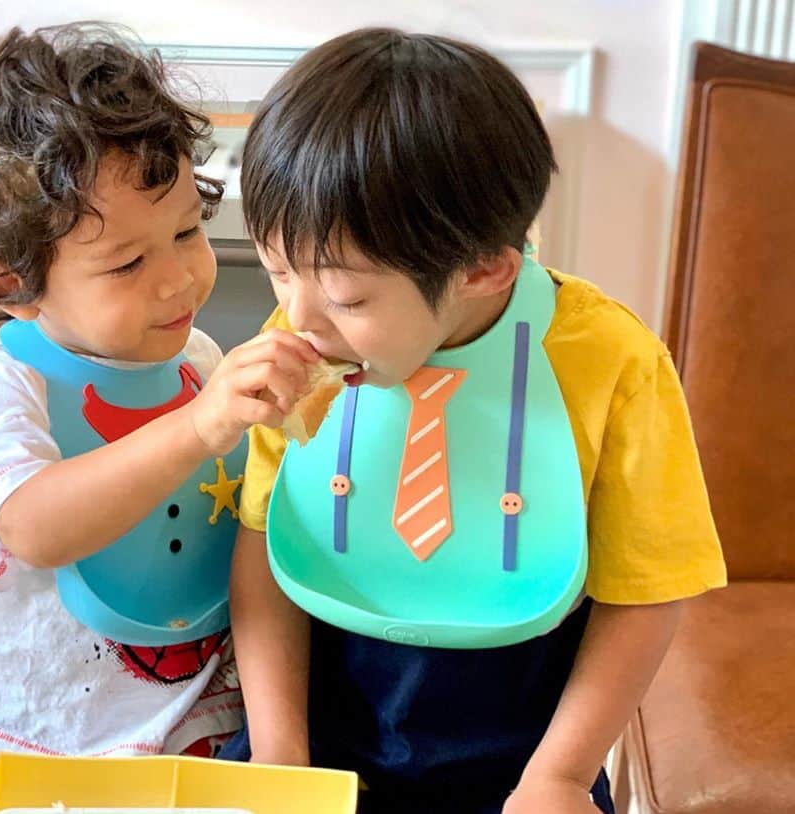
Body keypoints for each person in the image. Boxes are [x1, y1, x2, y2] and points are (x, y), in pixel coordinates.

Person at [223, 27, 727, 814]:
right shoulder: (293, 340)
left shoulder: (614, 365)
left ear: (486, 267)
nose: (298, 317)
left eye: (349, 297)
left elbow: (647, 589)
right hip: (314, 731)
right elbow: (265, 536)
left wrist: (559, 776)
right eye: (277, 268)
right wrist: (281, 748)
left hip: (522, 752)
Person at [0, 23, 316, 814]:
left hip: (190, 706)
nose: (180, 278)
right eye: (127, 262)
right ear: (10, 278)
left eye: (187, 230)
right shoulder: (2, 384)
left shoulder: (199, 359)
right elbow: (33, 527)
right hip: (26, 720)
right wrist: (198, 428)